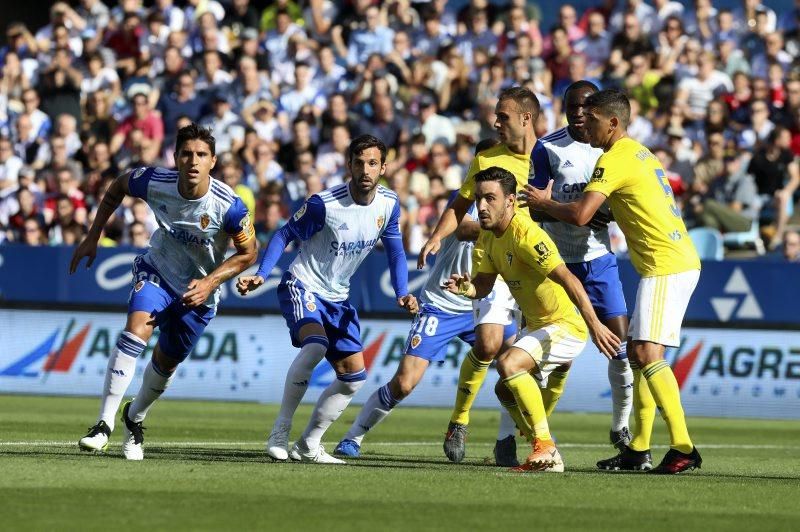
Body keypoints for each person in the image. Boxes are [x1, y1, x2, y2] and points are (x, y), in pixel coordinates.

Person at [523, 89, 703, 474]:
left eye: (594, 119)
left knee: (645, 355)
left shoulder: (615, 157)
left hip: (664, 264)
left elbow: (581, 215)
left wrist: (544, 203)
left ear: (613, 122)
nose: (585, 123)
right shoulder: (640, 152)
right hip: (673, 259)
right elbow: (623, 204)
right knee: (640, 356)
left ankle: (683, 446)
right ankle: (638, 449)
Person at [74, 123, 258, 460]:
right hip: (158, 270)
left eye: (201, 155)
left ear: (212, 161)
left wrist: (210, 283)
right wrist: (93, 233)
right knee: (136, 329)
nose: (193, 161)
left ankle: (135, 416)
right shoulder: (155, 182)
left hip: (199, 292)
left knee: (165, 366)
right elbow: (118, 186)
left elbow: (249, 252)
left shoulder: (228, 206)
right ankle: (103, 423)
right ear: (175, 157)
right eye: (186, 154)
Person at [333, 140, 521, 467]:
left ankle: (504, 441)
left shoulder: (512, 204)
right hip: (444, 303)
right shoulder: (466, 201)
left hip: (488, 300)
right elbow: (463, 229)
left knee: (516, 366)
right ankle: (353, 436)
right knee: (405, 382)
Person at [236, 135, 418, 465]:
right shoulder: (325, 204)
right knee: (316, 344)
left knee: (353, 379)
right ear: (348, 165)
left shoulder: (389, 205)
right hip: (302, 285)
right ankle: (280, 430)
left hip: (338, 299)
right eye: (359, 162)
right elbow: (284, 234)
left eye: (373, 163)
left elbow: (395, 251)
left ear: (384, 168)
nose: (365, 169)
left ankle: (308, 444)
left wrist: (403, 291)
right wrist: (262, 273)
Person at [443, 166, 620, 472]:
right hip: (539, 326)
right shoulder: (488, 235)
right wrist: (467, 287)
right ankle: (546, 449)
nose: (481, 206)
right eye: (479, 199)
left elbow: (570, 280)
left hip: (565, 326)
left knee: (508, 364)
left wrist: (594, 326)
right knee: (504, 389)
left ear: (510, 200)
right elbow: (483, 285)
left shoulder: (527, 236)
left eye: (490, 199)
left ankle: (545, 446)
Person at [418, 87, 539, 463]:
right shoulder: (487, 158)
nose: (495, 122)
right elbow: (461, 203)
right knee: (488, 345)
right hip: (497, 257)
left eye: (502, 116)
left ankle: (508, 439)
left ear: (525, 118)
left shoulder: (550, 156)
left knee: (522, 358)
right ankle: (460, 419)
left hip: (539, 264)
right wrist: (437, 236)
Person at [530, 80, 633, 452]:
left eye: (585, 106)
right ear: (563, 108)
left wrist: (607, 213)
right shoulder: (547, 148)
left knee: (620, 345)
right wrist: (555, 209)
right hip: (556, 262)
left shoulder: (609, 149)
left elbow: (623, 198)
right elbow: (533, 201)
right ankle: (524, 433)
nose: (578, 112)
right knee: (552, 360)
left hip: (598, 260)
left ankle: (620, 426)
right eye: (571, 106)